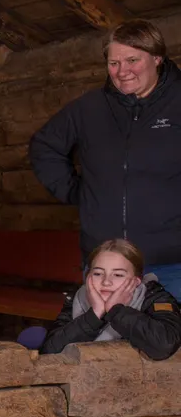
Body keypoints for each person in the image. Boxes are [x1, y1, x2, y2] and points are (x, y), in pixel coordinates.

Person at [29, 19, 181, 300]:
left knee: (171, 342)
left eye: (133, 60)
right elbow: (44, 145)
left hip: (172, 266)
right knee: (102, 343)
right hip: (104, 268)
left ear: (157, 58)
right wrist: (76, 191)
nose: (123, 71)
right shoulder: (89, 108)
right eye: (114, 63)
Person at [39, 238, 181, 360]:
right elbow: (49, 351)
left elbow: (164, 346)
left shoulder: (155, 298)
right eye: (98, 273)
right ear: (88, 276)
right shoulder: (79, 298)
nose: (106, 282)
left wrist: (116, 310)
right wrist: (94, 315)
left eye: (118, 275)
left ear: (136, 281)